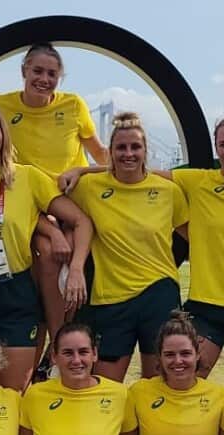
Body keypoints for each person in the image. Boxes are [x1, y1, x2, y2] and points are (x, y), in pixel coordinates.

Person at [67, 116, 224, 388]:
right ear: (216, 148)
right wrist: (83, 171)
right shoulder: (197, 181)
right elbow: (139, 173)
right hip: (207, 306)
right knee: (177, 383)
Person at [0, 102, 92, 389]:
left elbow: (81, 221)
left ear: (4, 135)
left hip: (14, 291)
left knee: (14, 392)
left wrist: (76, 268)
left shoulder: (28, 177)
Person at [0, 43, 109, 377]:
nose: (44, 79)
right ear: (24, 72)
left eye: (52, 74)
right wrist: (52, 229)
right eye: (38, 71)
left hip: (68, 201)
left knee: (76, 257)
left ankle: (59, 346)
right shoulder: (2, 107)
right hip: (28, 204)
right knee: (48, 251)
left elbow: (100, 153)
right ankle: (56, 346)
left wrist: (89, 172)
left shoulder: (73, 106)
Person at [71, 112, 189, 381]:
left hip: (158, 294)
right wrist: (80, 170)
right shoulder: (89, 187)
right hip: (111, 299)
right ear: (110, 152)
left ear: (146, 150)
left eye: (135, 147)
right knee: (106, 391)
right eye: (121, 147)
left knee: (159, 388)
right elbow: (46, 197)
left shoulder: (167, 191)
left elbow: (195, 237)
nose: (128, 153)